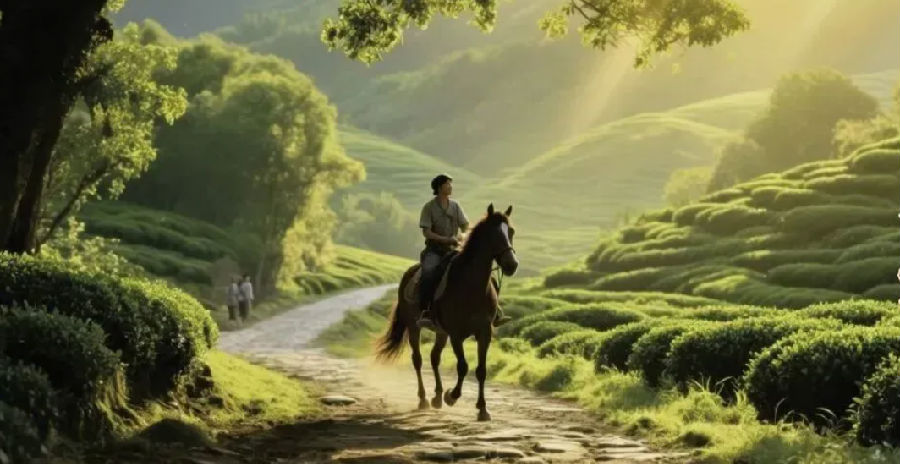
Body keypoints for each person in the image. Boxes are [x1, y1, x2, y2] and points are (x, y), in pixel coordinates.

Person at [416, 174, 511, 331]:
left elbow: (465, 226)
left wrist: (463, 238)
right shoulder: (429, 208)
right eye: (448, 184)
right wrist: (446, 239)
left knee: (483, 273)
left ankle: (495, 310)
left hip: (454, 250)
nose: (451, 187)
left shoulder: (455, 206)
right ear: (439, 187)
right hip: (435, 250)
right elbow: (427, 233)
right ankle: (427, 312)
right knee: (428, 273)